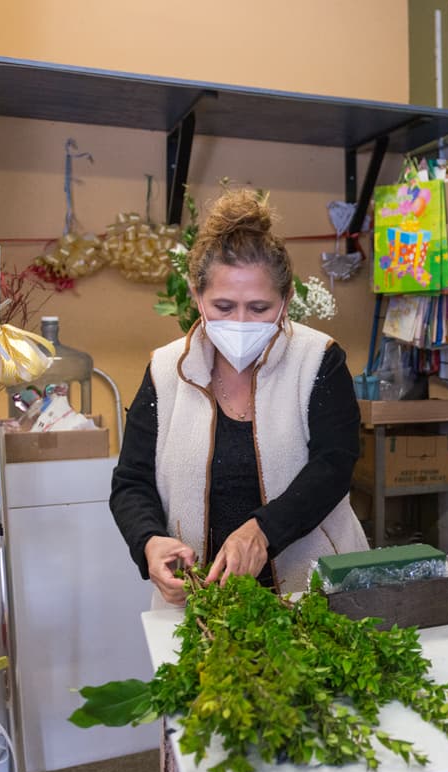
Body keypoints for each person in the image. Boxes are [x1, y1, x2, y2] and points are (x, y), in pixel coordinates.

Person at [110, 189, 368, 607]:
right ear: (197, 297)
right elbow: (131, 481)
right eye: (224, 306)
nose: (241, 322)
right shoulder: (165, 371)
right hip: (202, 599)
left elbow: (334, 466)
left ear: (285, 302)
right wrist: (149, 540)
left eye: (260, 307)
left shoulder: (318, 360)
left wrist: (263, 531)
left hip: (314, 591)